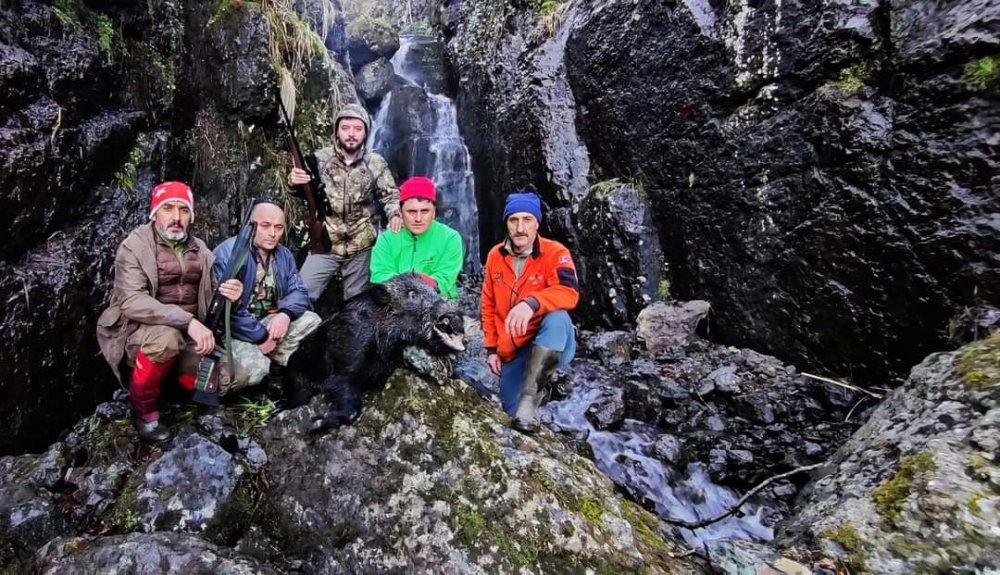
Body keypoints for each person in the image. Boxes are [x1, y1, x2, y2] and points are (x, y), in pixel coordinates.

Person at [96, 182, 243, 444]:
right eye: (168, 208)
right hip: (141, 334)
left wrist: (230, 292)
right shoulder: (134, 246)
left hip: (187, 338)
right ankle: (144, 410)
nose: (176, 218)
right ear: (155, 213)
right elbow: (131, 300)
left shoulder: (202, 251)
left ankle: (174, 388)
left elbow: (212, 298)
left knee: (237, 376)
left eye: (183, 210)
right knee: (165, 339)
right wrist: (187, 322)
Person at [481, 192, 579, 433]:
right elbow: (488, 302)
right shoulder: (495, 255)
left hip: (549, 338)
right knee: (512, 417)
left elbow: (569, 292)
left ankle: (532, 395)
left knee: (558, 317)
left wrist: (531, 302)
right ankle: (528, 396)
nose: (520, 228)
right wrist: (492, 348)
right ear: (506, 222)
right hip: (512, 350)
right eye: (514, 220)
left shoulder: (556, 252)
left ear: (537, 223)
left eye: (527, 219)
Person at [287, 103, 401, 303]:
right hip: (325, 242)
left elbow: (390, 195)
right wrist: (293, 182)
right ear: (336, 132)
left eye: (358, 129)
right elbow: (303, 191)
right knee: (300, 296)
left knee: (357, 305)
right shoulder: (318, 160)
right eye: (345, 128)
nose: (351, 134)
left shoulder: (376, 163)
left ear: (365, 132)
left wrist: (395, 215)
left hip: (362, 245)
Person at [212, 202, 322, 395]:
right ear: (251, 225)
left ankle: (276, 360)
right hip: (235, 333)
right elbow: (227, 314)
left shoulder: (283, 255)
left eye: (278, 227)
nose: (273, 233)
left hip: (267, 323)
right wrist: (261, 336)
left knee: (313, 321)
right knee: (255, 371)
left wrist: (285, 315)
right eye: (265, 226)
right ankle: (261, 362)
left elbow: (299, 292)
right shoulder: (229, 255)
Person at [370, 176, 463, 300]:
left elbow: (443, 281)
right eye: (412, 212)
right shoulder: (387, 239)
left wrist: (410, 282)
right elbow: (379, 276)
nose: (418, 219)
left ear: (434, 212)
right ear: (400, 211)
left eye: (425, 211)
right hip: (396, 303)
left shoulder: (451, 238)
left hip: (439, 303)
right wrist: (413, 282)